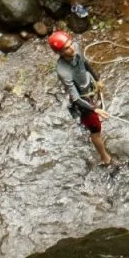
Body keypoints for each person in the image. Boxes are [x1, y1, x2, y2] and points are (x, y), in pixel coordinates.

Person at [48, 30, 112, 166]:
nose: (72, 49)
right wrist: (95, 110)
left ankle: (86, 124)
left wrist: (97, 79)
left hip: (88, 88)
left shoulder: (75, 49)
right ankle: (105, 157)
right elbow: (76, 98)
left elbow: (85, 63)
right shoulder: (64, 71)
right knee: (95, 130)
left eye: (71, 44)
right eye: (67, 48)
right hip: (82, 101)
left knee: (94, 121)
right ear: (59, 53)